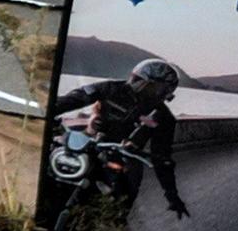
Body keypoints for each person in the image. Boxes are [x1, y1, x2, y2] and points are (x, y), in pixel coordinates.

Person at [52, 57, 189, 220]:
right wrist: (47, 112)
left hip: (126, 155)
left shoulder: (164, 118)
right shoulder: (110, 88)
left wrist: (171, 194)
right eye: (139, 80)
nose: (140, 86)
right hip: (90, 142)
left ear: (163, 91)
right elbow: (73, 98)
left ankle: (113, 229)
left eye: (151, 87)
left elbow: (163, 157)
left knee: (125, 194)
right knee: (54, 154)